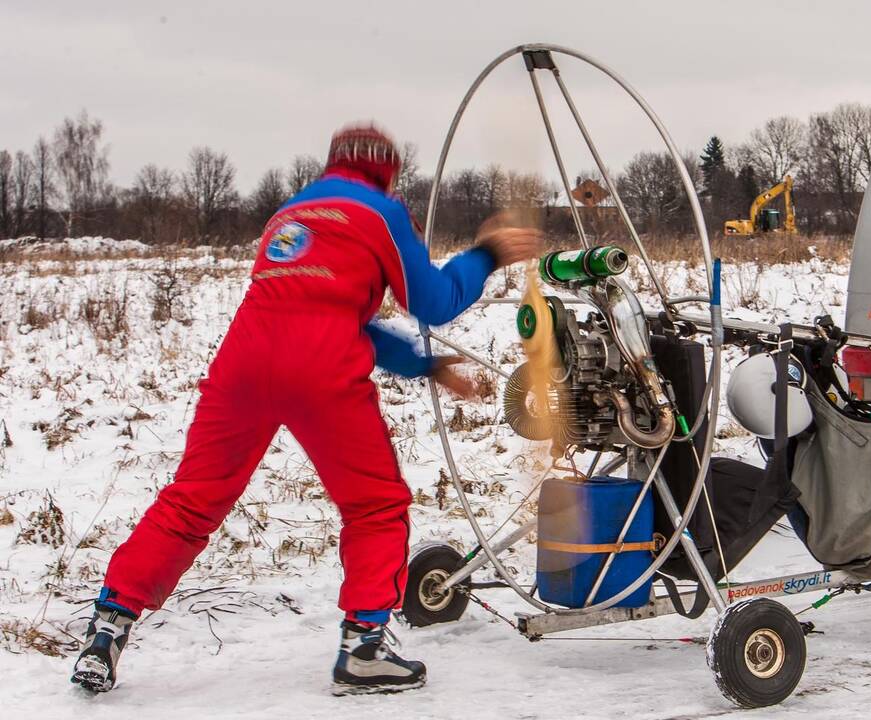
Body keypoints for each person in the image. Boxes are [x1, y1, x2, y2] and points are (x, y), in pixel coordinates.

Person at [70, 124, 541, 695]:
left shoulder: (290, 212)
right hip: (321, 371)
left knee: (193, 499)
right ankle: (364, 644)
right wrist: (485, 255)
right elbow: (435, 303)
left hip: (243, 363)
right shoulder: (381, 212)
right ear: (388, 170)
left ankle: (107, 628)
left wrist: (424, 365)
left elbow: (318, 309)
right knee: (374, 505)